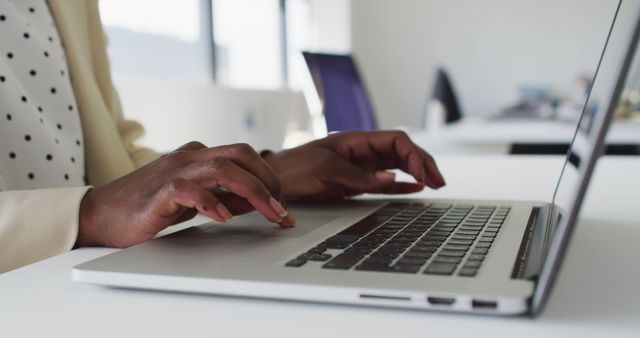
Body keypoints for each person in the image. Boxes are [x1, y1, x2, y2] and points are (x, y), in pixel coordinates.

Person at [0, 0, 445, 273]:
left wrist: (264, 172)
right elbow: (103, 204)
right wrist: (87, 214)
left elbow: (113, 147)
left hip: (77, 275)